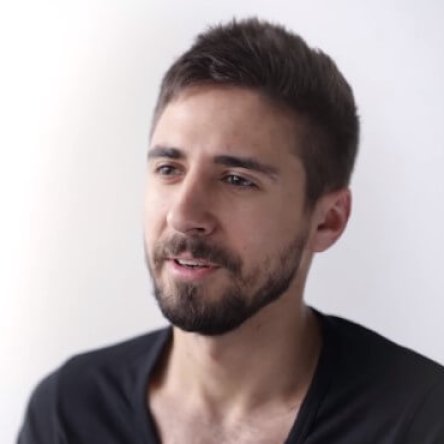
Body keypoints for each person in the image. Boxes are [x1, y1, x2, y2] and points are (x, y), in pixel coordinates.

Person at [18, 17, 444, 444]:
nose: (183, 215)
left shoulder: (419, 419)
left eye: (237, 179)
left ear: (328, 219)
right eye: (169, 169)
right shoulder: (69, 411)